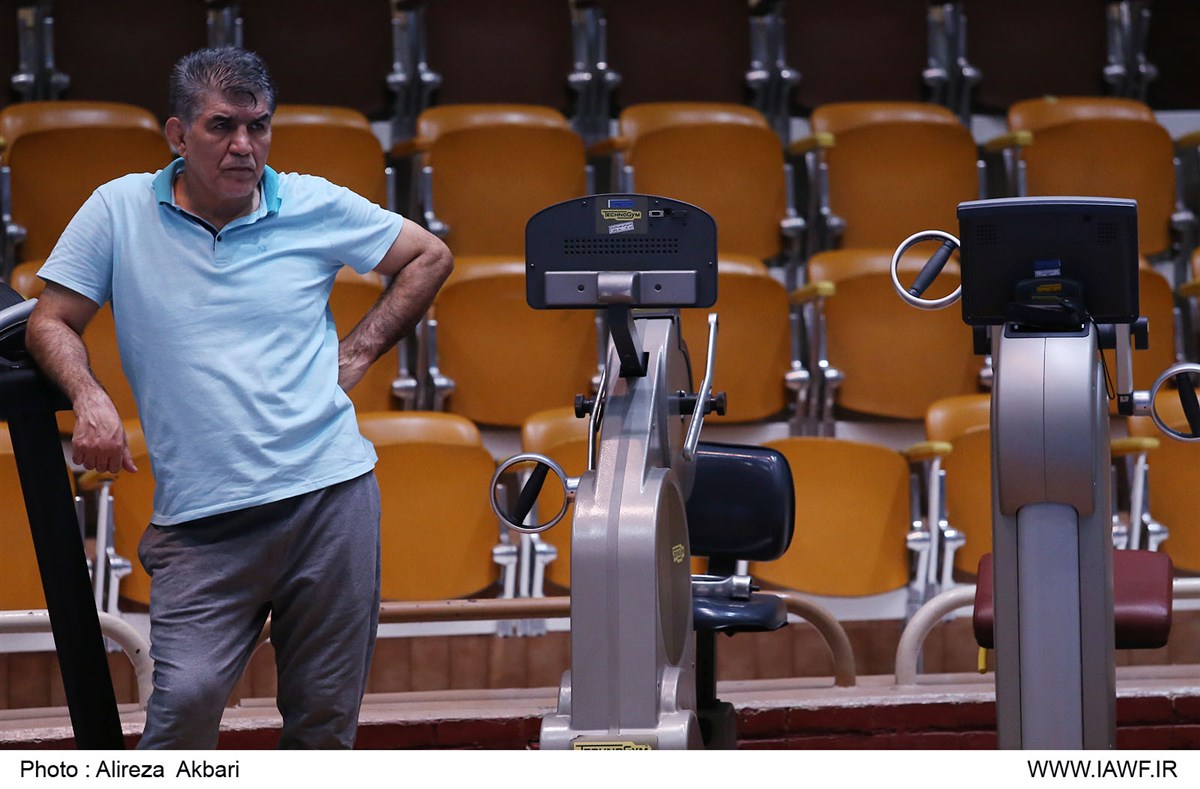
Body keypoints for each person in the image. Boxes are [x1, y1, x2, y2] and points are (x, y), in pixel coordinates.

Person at [25, 47, 453, 749]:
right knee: (183, 709)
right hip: (201, 524)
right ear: (178, 134)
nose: (244, 146)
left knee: (323, 722)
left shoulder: (311, 202)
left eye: (259, 127)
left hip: (329, 500)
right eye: (222, 126)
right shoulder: (117, 210)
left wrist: (360, 351)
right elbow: (50, 319)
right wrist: (89, 396)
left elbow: (428, 255)